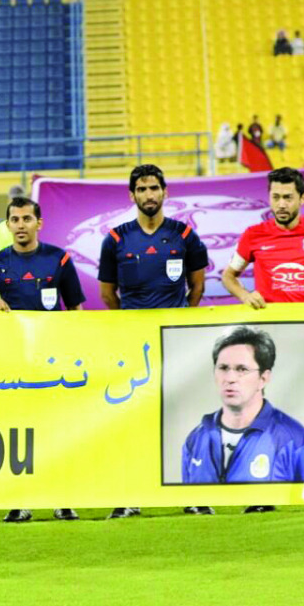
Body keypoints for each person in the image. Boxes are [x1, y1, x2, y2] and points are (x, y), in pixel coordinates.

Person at [220, 167, 304, 508]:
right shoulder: (254, 235)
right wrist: (245, 295)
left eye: (288, 198)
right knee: (263, 414)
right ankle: (263, 494)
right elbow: (229, 276)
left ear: (302, 198)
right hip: (269, 343)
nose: (281, 204)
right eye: (276, 197)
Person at [98, 164, 209, 518]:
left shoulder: (185, 236)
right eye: (142, 189)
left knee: (182, 417)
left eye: (154, 188)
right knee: (133, 420)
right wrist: (131, 325)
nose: (149, 195)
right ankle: (130, 495)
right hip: (133, 346)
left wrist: (178, 321)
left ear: (165, 192)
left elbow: (198, 287)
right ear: (132, 195)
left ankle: (191, 494)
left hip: (174, 343)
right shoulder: (115, 240)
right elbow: (107, 294)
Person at [0, 194, 84, 523]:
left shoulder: (59, 260)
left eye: (26, 219)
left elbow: (76, 310)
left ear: (39, 223)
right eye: (15, 220)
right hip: (13, 365)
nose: (20, 225)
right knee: (19, 433)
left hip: (54, 364)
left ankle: (63, 500)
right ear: (7, 225)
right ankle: (21, 501)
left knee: (57, 430)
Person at [180, 327, 304, 485]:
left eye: (242, 369)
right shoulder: (196, 438)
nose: (230, 378)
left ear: (263, 378)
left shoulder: (296, 440)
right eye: (223, 368)